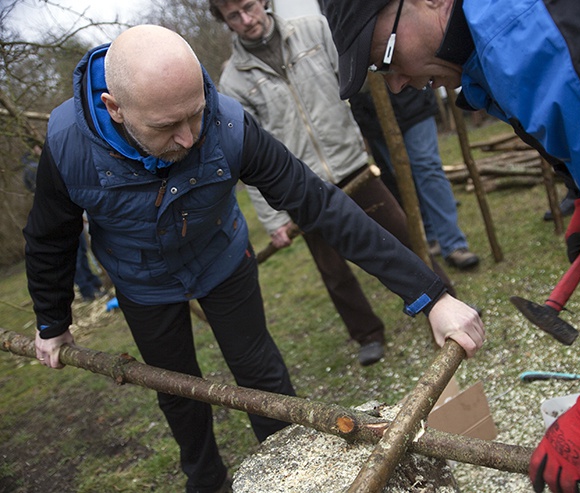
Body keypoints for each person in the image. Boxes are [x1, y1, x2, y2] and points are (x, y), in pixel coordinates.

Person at [23, 25, 484, 493]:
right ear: (114, 108)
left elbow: (319, 204)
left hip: (222, 259)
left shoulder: (227, 125)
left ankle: (289, 472)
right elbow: (49, 239)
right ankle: (205, 480)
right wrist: (51, 322)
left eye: (195, 115)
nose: (188, 138)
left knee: (261, 375)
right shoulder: (67, 145)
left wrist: (430, 295)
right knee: (175, 390)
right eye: (166, 127)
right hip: (141, 282)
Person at [319, 1, 580, 492]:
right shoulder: (494, 47)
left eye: (385, 56)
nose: (394, 83)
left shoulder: (535, 45)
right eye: (377, 71)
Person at [211, 0, 459, 366]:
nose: (246, 20)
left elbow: (353, 80)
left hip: (351, 163)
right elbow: (245, 152)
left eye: (249, 7)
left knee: (403, 234)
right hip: (300, 184)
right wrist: (274, 219)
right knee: (333, 269)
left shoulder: (313, 30)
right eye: (234, 16)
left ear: (263, 1)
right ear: (226, 23)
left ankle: (446, 300)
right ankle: (367, 334)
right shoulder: (234, 80)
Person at [349, 84, 479, 269]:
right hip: (371, 110)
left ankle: (453, 244)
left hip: (410, 93)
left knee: (427, 167)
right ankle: (430, 235)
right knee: (402, 176)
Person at [22, 145, 104, 302]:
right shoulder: (34, 169)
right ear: (35, 148)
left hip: (65, 214)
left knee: (81, 251)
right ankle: (87, 290)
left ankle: (94, 283)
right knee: (75, 254)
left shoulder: (36, 166)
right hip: (58, 217)